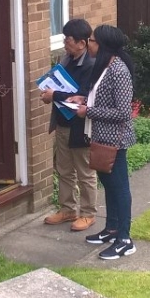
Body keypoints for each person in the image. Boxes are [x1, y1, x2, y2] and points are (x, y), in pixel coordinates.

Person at [71, 25, 137, 260]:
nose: (89, 44)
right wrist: (82, 99)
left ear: (103, 45)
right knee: (109, 186)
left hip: (114, 142)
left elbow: (122, 113)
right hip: (100, 138)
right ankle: (111, 229)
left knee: (120, 189)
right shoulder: (104, 67)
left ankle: (125, 239)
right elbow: (100, 98)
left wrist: (88, 111)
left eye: (92, 40)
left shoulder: (118, 71)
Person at [41, 19, 97, 231]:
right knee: (64, 170)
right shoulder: (66, 59)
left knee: (84, 172)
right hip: (63, 122)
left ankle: (88, 213)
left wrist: (55, 94)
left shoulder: (91, 65)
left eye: (68, 40)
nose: (65, 43)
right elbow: (59, 86)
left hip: (80, 126)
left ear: (82, 43)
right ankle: (67, 209)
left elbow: (83, 96)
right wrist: (48, 94)